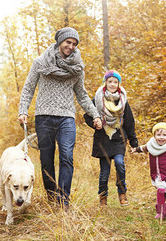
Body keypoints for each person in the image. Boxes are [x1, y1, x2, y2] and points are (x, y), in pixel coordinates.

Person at [18, 27, 102, 208]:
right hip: (44, 117)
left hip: (66, 118)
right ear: (60, 42)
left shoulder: (77, 68)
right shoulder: (40, 62)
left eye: (74, 44)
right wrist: (23, 110)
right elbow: (28, 88)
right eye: (68, 42)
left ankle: (63, 200)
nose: (71, 47)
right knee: (46, 160)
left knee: (66, 157)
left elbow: (82, 95)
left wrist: (95, 114)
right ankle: (51, 197)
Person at [84, 70, 138, 207]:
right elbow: (87, 116)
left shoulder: (123, 100)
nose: (112, 84)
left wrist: (133, 142)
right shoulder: (97, 99)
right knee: (104, 172)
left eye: (115, 82)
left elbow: (130, 122)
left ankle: (122, 193)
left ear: (118, 84)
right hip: (103, 139)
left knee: (120, 163)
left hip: (119, 138)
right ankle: (103, 196)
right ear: (105, 83)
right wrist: (94, 124)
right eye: (110, 81)